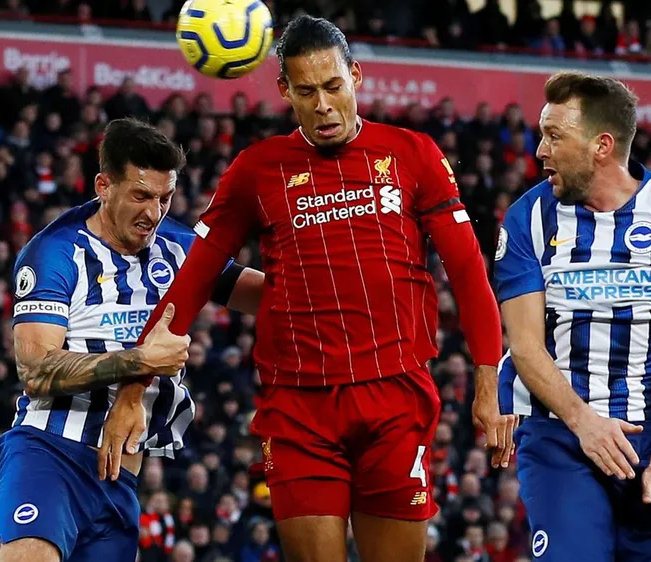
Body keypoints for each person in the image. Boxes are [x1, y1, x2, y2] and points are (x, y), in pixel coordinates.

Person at [101, 15, 517, 562]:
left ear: (356, 77)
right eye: (306, 91)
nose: (322, 104)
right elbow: (194, 277)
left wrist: (488, 384)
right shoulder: (257, 169)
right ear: (284, 91)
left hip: (395, 397)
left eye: (332, 86)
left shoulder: (412, 154)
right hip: (299, 408)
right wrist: (133, 389)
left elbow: (468, 273)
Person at [0, 118, 264, 562]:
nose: (154, 212)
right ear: (103, 185)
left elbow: (263, 296)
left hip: (120, 480)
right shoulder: (55, 251)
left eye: (165, 198)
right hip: (48, 457)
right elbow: (35, 369)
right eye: (141, 195)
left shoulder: (177, 246)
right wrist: (137, 360)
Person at [494, 71, 651, 561]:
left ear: (601, 145)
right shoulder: (527, 219)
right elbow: (526, 345)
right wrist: (584, 421)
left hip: (647, 438)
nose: (540, 150)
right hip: (558, 435)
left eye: (555, 135)